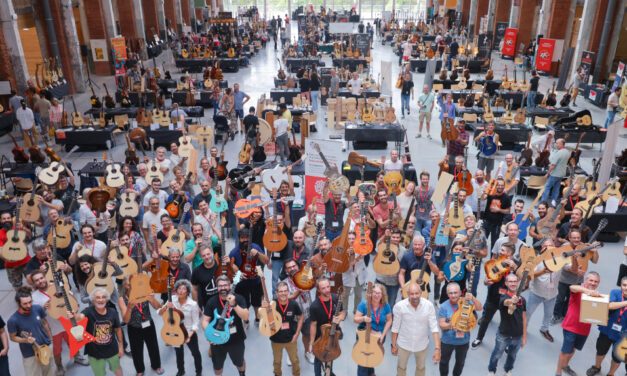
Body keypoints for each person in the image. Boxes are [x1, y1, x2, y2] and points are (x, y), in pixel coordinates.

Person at [472, 242, 518, 349]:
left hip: (507, 299)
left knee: (507, 322)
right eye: (500, 250)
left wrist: (514, 268)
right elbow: (487, 277)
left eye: (502, 250)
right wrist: (485, 282)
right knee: (485, 320)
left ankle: (506, 343)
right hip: (492, 297)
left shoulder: (514, 265)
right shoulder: (494, 262)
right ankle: (479, 338)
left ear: (510, 254)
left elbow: (520, 276)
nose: (500, 251)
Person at [556, 271, 601, 376]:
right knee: (565, 351)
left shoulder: (597, 295)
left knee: (573, 350)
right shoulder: (579, 289)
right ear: (585, 280)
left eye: (596, 281)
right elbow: (572, 287)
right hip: (571, 327)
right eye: (591, 280)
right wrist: (587, 291)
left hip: (584, 330)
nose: (593, 283)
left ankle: (565, 365)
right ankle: (558, 372)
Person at [202, 275, 249, 376]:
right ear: (217, 287)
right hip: (217, 340)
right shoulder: (212, 301)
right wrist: (210, 335)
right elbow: (205, 320)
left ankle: (242, 373)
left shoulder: (239, 298)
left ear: (230, 286)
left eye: (225, 285)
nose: (223, 288)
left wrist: (234, 305)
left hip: (236, 339)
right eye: (220, 286)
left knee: (239, 362)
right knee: (217, 366)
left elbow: (245, 317)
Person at [71, 287, 124, 376]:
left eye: (103, 297)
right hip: (94, 353)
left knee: (117, 368)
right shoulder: (88, 311)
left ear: (107, 300)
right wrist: (73, 315)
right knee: (99, 374)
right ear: (93, 300)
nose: (101, 300)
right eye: (98, 297)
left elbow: (118, 329)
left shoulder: (113, 312)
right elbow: (80, 317)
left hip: (112, 350)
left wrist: (121, 346)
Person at [391, 282, 441, 376]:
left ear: (421, 293)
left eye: (416, 293)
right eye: (412, 294)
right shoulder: (399, 306)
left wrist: (437, 349)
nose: (414, 296)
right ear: (407, 294)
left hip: (422, 345)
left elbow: (434, 328)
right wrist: (393, 345)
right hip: (404, 344)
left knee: (421, 368)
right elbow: (395, 328)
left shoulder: (429, 306)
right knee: (401, 368)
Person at [117, 277, 164, 375]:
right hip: (134, 328)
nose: (133, 286)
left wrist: (152, 298)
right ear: (125, 286)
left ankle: (156, 365)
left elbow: (158, 308)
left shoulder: (144, 293)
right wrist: (129, 308)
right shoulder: (122, 299)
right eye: (130, 284)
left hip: (148, 324)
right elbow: (125, 320)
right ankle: (140, 370)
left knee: (153, 346)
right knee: (136, 350)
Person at [585, 276, 627, 376]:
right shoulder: (615, 292)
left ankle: (611, 373)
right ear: (620, 285)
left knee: (618, 357)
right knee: (601, 350)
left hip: (624, 335)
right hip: (607, 330)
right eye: (624, 285)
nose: (626, 288)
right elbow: (610, 305)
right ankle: (597, 367)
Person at [7, 286, 54, 376]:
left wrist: (50, 340)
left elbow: (44, 323)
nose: (28, 305)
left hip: (45, 347)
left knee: (49, 373)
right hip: (30, 354)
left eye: (30, 302)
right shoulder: (13, 320)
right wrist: (25, 340)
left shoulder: (37, 308)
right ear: (18, 303)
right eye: (25, 304)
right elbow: (13, 337)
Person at [438, 282, 482, 376]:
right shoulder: (443, 306)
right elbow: (441, 324)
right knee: (444, 362)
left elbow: (479, 308)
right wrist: (451, 325)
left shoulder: (467, 302)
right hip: (447, 341)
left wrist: (472, 298)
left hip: (463, 341)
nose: (453, 295)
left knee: (460, 363)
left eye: (455, 292)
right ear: (447, 294)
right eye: (450, 293)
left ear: (460, 292)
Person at [487, 273, 527, 376]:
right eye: (510, 281)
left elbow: (524, 318)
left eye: (515, 281)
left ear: (518, 283)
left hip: (517, 336)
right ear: (506, 283)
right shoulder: (503, 297)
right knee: (497, 354)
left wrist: (524, 337)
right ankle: (491, 370)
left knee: (512, 355)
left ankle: (508, 370)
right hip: (503, 335)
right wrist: (511, 301)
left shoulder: (522, 300)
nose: (513, 283)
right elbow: (505, 302)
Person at [161, 279, 203, 376]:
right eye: (179, 288)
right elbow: (160, 312)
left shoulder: (193, 304)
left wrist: (189, 335)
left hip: (189, 332)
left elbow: (196, 323)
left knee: (195, 353)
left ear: (187, 292)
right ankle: (181, 370)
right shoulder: (172, 299)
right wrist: (166, 307)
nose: (180, 290)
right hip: (175, 331)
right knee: (179, 353)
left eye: (183, 289)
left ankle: (199, 371)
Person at [309, 277, 346, 376]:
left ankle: (328, 372)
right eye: (323, 288)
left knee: (331, 354)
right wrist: (311, 343)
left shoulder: (336, 298)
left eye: (328, 287)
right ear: (318, 290)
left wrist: (340, 318)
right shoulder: (314, 306)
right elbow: (313, 324)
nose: (327, 290)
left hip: (333, 334)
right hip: (320, 336)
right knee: (318, 359)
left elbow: (343, 312)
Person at [354, 283, 393, 376]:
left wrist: (383, 335)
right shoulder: (364, 304)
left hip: (379, 337)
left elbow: (389, 320)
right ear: (370, 293)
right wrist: (363, 318)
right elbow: (355, 319)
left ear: (382, 294)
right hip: (365, 336)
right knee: (363, 358)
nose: (376, 295)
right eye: (374, 292)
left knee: (372, 354)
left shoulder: (386, 305)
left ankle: (371, 371)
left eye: (379, 293)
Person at [526, 238, 561, 343]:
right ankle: (522, 329)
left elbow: (570, 268)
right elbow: (529, 276)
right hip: (536, 293)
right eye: (546, 246)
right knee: (528, 313)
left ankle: (544, 329)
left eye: (551, 246)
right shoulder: (535, 259)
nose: (548, 248)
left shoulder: (560, 259)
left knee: (549, 314)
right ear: (542, 247)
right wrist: (542, 271)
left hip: (552, 295)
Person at [269, 281, 303, 376]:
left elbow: (301, 317)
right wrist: (263, 308)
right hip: (276, 340)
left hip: (291, 339)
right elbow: (262, 318)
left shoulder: (293, 304)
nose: (283, 293)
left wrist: (297, 334)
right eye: (280, 291)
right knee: (277, 362)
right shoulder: (272, 305)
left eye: (285, 291)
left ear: (288, 292)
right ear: (276, 293)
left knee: (295, 361)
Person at [483, 179, 512, 248]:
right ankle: (479, 258)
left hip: (497, 224)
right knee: (482, 241)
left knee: (494, 243)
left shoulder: (506, 198)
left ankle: (492, 258)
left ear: (504, 186)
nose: (500, 187)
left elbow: (508, 211)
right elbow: (482, 198)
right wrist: (486, 191)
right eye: (498, 185)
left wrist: (499, 210)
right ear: (496, 185)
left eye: (502, 185)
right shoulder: (491, 194)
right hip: (486, 222)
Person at [541, 138, 571, 204]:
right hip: (562, 173)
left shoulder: (559, 153)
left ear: (561, 144)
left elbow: (553, 165)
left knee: (547, 188)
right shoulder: (567, 152)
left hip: (555, 173)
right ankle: (553, 201)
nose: (556, 144)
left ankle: (543, 202)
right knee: (556, 188)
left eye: (557, 143)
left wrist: (548, 173)